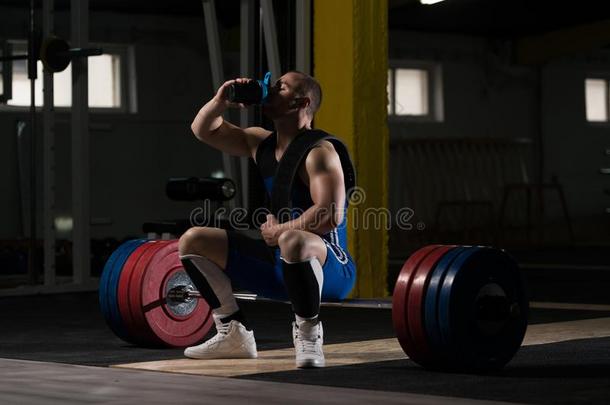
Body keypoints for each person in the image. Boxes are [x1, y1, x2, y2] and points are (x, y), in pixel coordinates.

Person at [179, 71, 356, 368]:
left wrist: (280, 231)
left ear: (301, 102)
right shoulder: (259, 143)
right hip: (281, 265)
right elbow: (203, 129)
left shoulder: (319, 152)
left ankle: (309, 334)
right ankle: (233, 332)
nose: (270, 90)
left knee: (292, 239)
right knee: (194, 240)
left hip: (332, 269)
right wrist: (221, 99)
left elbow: (330, 214)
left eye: (281, 87)